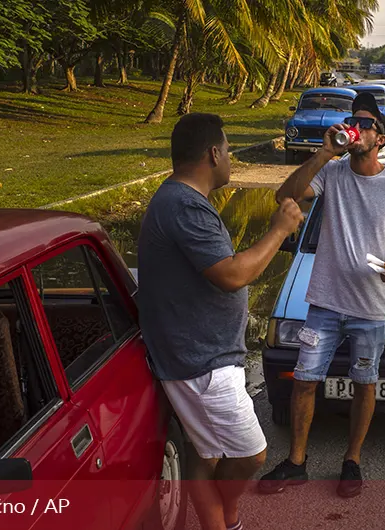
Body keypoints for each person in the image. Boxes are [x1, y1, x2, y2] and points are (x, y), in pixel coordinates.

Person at [137, 113, 305, 530]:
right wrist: (280, 230)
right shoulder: (184, 206)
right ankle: (227, 514)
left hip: (203, 356)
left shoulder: (181, 201)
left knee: (204, 452)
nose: (229, 159)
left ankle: (223, 523)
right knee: (252, 453)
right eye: (228, 150)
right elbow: (231, 274)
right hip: (201, 363)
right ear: (214, 153)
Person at [258, 92, 385, 498]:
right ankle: (296, 462)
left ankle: (352, 460)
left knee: (365, 382)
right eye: (354, 120)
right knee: (305, 381)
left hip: (371, 306)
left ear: (380, 137)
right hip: (325, 303)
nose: (357, 127)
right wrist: (322, 153)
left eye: (365, 124)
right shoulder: (331, 173)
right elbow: (286, 197)